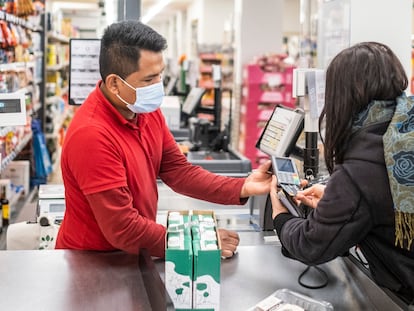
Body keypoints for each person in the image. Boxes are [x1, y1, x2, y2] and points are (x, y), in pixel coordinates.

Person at [55, 20, 272, 259]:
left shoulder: (144, 110)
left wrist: (243, 186)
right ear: (115, 83)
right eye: (148, 80)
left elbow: (179, 171)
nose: (158, 86)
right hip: (93, 263)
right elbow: (123, 227)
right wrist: (199, 241)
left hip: (133, 255)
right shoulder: (92, 135)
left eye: (160, 75)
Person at [270, 42, 414, 302]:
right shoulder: (405, 126)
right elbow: (386, 200)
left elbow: (312, 245)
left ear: (341, 95)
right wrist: (335, 198)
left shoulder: (360, 167)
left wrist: (280, 216)